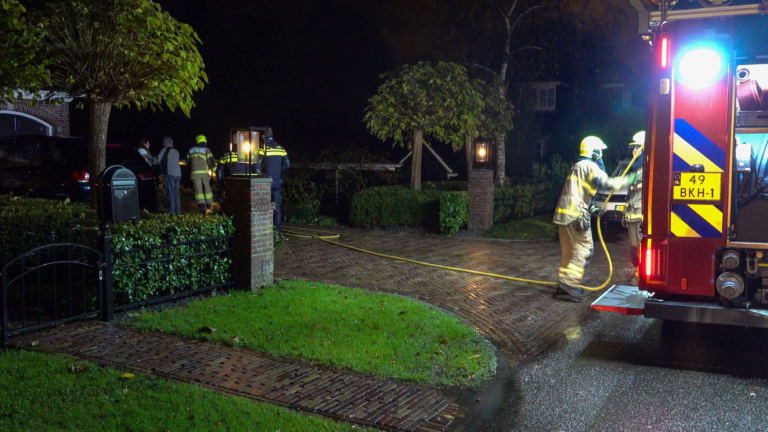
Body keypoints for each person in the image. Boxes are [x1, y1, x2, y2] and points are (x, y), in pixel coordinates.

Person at [553, 136, 628, 302]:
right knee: (584, 250)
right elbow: (605, 183)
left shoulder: (578, 165)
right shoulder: (589, 166)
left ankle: (563, 284)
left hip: (565, 214)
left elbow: (580, 190)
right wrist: (627, 180)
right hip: (576, 216)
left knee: (569, 253)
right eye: (600, 151)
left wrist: (592, 208)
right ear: (594, 152)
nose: (601, 155)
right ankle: (569, 283)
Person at [259, 127, 290, 235]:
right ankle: (277, 232)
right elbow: (287, 164)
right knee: (276, 207)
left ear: (263, 136)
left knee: (264, 206)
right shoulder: (281, 148)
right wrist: (277, 171)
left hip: (266, 182)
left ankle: (265, 231)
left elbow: (257, 166)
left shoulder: (263, 148)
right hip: (277, 181)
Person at [624, 131, 645, 286]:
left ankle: (642, 278)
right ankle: (638, 274)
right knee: (634, 250)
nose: (634, 150)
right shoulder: (633, 168)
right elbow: (630, 190)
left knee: (642, 250)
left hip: (641, 215)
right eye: (633, 147)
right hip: (632, 213)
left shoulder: (648, 167)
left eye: (637, 147)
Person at [188, 135, 217, 214]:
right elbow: (211, 161)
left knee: (198, 189)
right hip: (204, 173)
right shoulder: (206, 150)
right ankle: (209, 203)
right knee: (207, 187)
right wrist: (215, 171)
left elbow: (188, 161)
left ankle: (202, 205)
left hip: (194, 174)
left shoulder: (191, 150)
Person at [156, 137, 182, 215]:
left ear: (165, 143)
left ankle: (171, 210)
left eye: (163, 143)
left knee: (170, 192)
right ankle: (178, 211)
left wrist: (149, 157)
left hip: (170, 174)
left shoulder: (165, 150)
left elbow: (157, 160)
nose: (162, 144)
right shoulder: (176, 151)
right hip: (178, 174)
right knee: (176, 193)